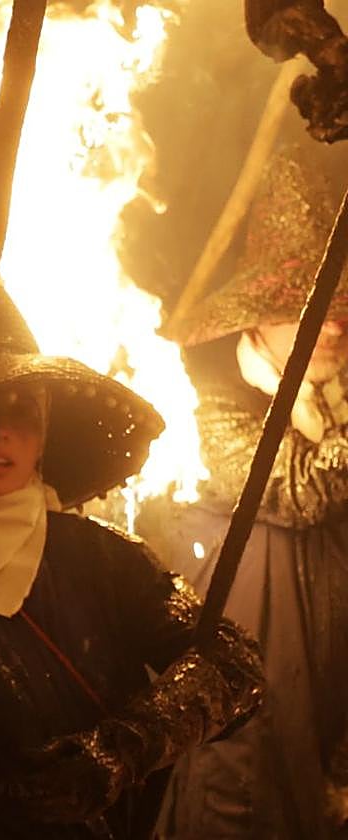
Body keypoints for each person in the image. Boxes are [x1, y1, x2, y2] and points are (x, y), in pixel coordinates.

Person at [0, 254, 264, 838]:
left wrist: (122, 748)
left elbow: (233, 664)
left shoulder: (102, 555)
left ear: (45, 435)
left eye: (20, 413)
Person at [144, 143, 348, 838]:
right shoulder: (211, 402)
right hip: (244, 724)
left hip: (328, 709)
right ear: (259, 311)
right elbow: (297, 491)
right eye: (308, 306)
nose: (332, 324)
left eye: (344, 307)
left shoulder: (337, 404)